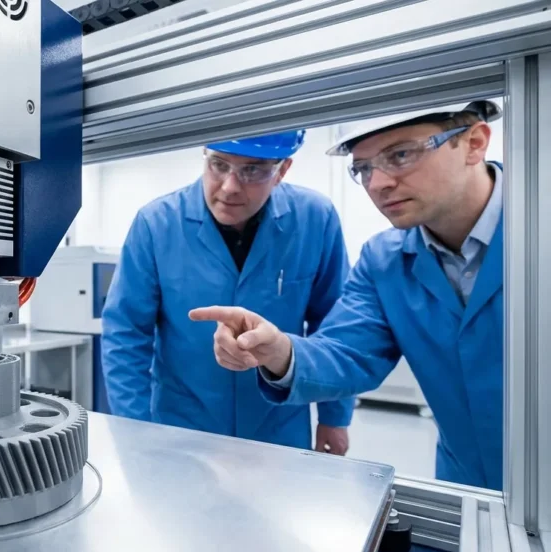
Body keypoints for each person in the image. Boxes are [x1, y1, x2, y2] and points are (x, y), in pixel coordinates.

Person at [194, 101, 504, 488]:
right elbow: (347, 352)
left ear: (474, 142)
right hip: (469, 484)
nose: (377, 184)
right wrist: (279, 352)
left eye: (401, 155)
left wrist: (334, 419)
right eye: (364, 168)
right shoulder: (384, 261)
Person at [102, 131, 355, 454]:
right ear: (204, 154)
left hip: (278, 427)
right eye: (219, 164)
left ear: (283, 170)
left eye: (253, 170)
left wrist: (335, 417)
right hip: (182, 425)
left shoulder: (315, 219)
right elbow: (125, 334)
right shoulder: (156, 224)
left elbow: (334, 324)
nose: (230, 186)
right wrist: (134, 428)